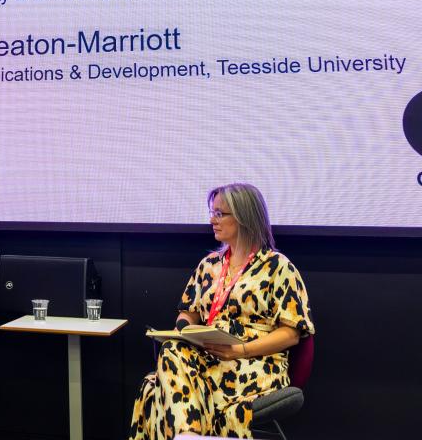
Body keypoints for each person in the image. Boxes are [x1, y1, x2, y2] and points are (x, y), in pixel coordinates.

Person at [130, 183, 314, 439]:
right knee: (171, 349)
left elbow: (292, 333)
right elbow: (188, 312)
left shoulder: (278, 267)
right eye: (212, 212)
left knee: (156, 387)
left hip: (256, 362)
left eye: (220, 213)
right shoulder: (209, 265)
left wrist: (241, 350)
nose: (212, 220)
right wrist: (186, 331)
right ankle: (189, 435)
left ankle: (188, 435)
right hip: (210, 358)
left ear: (244, 217)